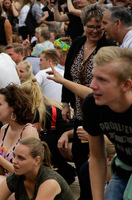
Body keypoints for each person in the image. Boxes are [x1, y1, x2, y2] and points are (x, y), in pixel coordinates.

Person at [60, 4, 115, 199]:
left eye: (99, 26)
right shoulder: (77, 42)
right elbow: (67, 75)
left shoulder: (109, 47)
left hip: (101, 113)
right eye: (90, 26)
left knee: (94, 161)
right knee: (79, 156)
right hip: (79, 112)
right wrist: (65, 103)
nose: (94, 30)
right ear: (83, 25)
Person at [82, 47, 132, 200]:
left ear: (126, 85)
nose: (92, 85)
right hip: (124, 167)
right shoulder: (92, 105)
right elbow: (96, 157)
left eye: (102, 80)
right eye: (93, 77)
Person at [0, 137, 74, 200]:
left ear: (37, 160)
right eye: (14, 156)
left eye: (21, 158)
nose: (14, 161)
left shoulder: (49, 182)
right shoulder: (15, 177)